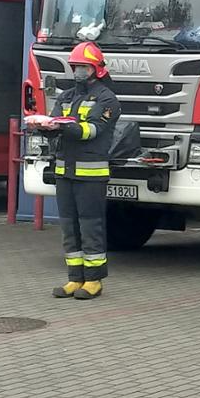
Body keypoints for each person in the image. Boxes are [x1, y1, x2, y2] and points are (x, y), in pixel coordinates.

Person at [30, 42, 121, 300]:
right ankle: (74, 278)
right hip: (65, 171)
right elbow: (56, 118)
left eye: (84, 67)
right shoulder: (66, 95)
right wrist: (43, 127)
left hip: (91, 175)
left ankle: (94, 281)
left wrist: (62, 127)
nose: (79, 71)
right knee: (69, 227)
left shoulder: (107, 99)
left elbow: (92, 130)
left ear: (97, 69)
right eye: (76, 67)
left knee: (90, 227)